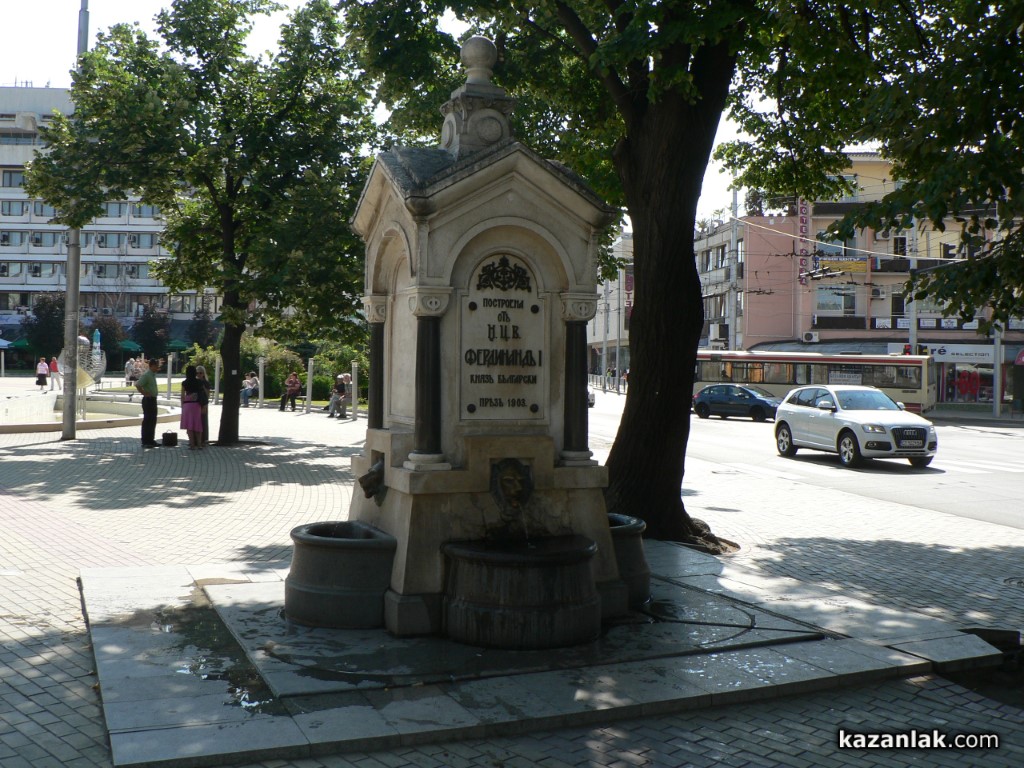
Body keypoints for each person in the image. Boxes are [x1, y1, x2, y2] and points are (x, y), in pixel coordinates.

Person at [135, 358, 161, 447]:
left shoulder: (152, 375)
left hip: (153, 399)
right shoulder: (147, 375)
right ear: (152, 366)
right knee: (147, 420)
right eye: (156, 366)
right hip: (148, 400)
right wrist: (144, 393)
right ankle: (145, 441)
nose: (157, 368)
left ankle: (151, 440)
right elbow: (138, 385)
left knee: (153, 420)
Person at [180, 365, 205, 449]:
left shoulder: (184, 383)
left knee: (189, 425)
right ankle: (199, 444)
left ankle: (192, 444)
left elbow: (182, 396)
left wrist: (182, 406)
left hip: (187, 405)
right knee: (197, 424)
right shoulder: (199, 382)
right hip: (196, 405)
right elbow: (202, 393)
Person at [196, 365, 212, 446]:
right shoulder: (195, 382)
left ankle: (204, 439)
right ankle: (196, 440)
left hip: (204, 403)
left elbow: (208, 395)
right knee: (196, 421)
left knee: (203, 421)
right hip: (196, 403)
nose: (199, 374)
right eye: (197, 373)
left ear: (203, 373)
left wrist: (203, 387)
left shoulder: (206, 383)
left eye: (200, 373)